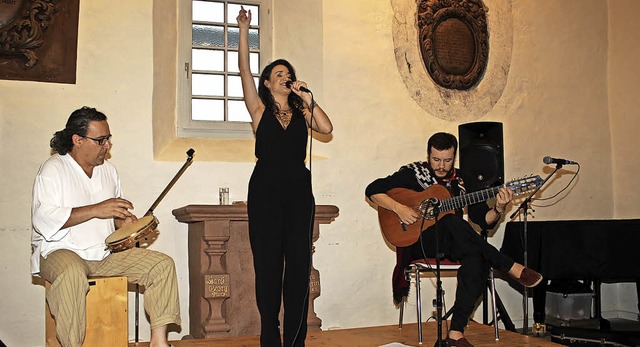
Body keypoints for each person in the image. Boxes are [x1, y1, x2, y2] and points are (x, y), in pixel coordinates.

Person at [365, 132, 542, 347]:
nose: (441, 165)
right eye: (436, 159)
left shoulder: (463, 180)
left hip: (453, 241)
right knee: (452, 221)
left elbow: (483, 221)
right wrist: (399, 208)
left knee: (476, 257)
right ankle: (507, 265)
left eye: (447, 160)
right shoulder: (413, 173)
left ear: (454, 157)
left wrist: (498, 207)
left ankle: (456, 332)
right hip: (418, 241)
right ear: (428, 155)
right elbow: (373, 189)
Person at [31, 106, 180, 347]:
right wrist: (96, 209)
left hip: (102, 254)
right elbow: (43, 219)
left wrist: (126, 223)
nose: (106, 146)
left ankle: (158, 342)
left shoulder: (109, 171)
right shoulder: (53, 169)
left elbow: (114, 217)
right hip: (60, 251)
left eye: (108, 139)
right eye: (100, 140)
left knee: (161, 265)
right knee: (71, 275)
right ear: (77, 140)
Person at [236, 6, 333, 347]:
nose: (284, 76)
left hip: (298, 189)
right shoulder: (259, 109)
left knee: (299, 265)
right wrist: (245, 30)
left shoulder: (302, 111)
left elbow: (326, 128)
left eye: (287, 73)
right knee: (268, 265)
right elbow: (245, 72)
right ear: (267, 82)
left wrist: (308, 98)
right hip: (265, 189)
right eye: (278, 73)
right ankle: (269, 337)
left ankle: (295, 339)